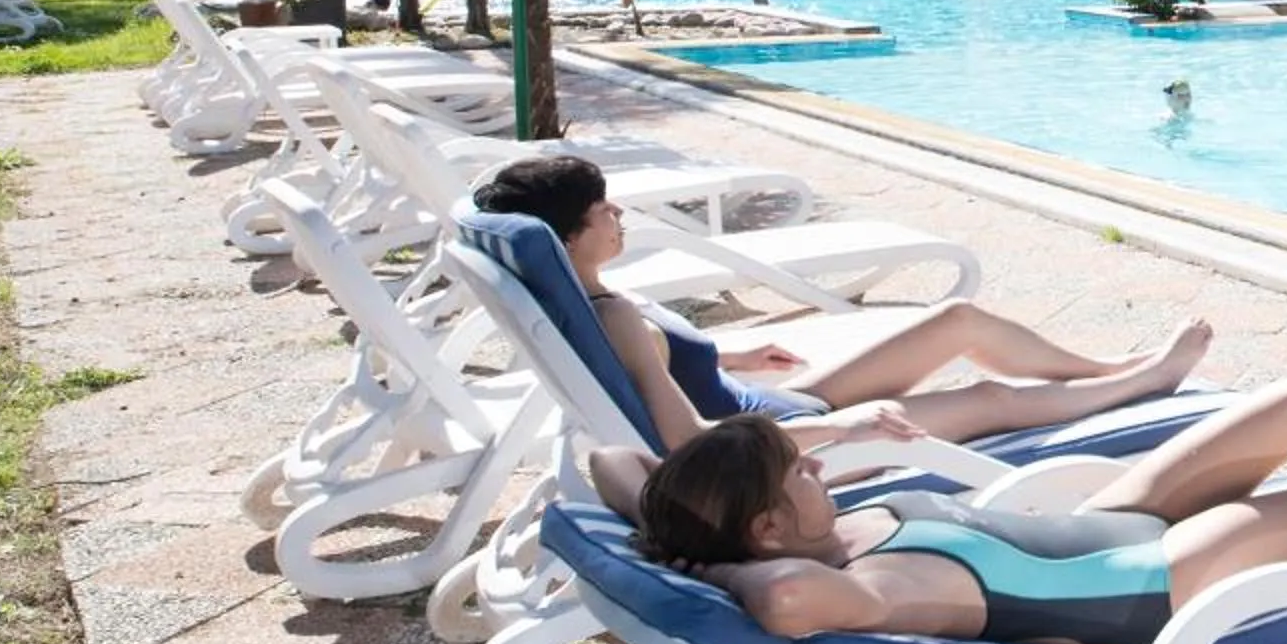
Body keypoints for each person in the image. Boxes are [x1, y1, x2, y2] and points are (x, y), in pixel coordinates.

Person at [604, 379, 1287, 644]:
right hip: (1141, 589)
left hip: (1103, 526)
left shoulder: (803, 530)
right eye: (798, 471)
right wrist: (712, 569)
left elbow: (610, 464)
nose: (818, 463)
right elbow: (781, 604)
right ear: (764, 531)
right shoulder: (838, 583)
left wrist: (676, 540)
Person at [467, 154, 1212, 456]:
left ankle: (1115, 366)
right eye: (602, 208)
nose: (618, 212)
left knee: (956, 322)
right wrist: (844, 425)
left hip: (773, 400)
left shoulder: (597, 301)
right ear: (569, 236)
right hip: (777, 443)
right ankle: (1139, 385)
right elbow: (694, 446)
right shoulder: (614, 317)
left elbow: (653, 362)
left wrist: (731, 354)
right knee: (987, 398)